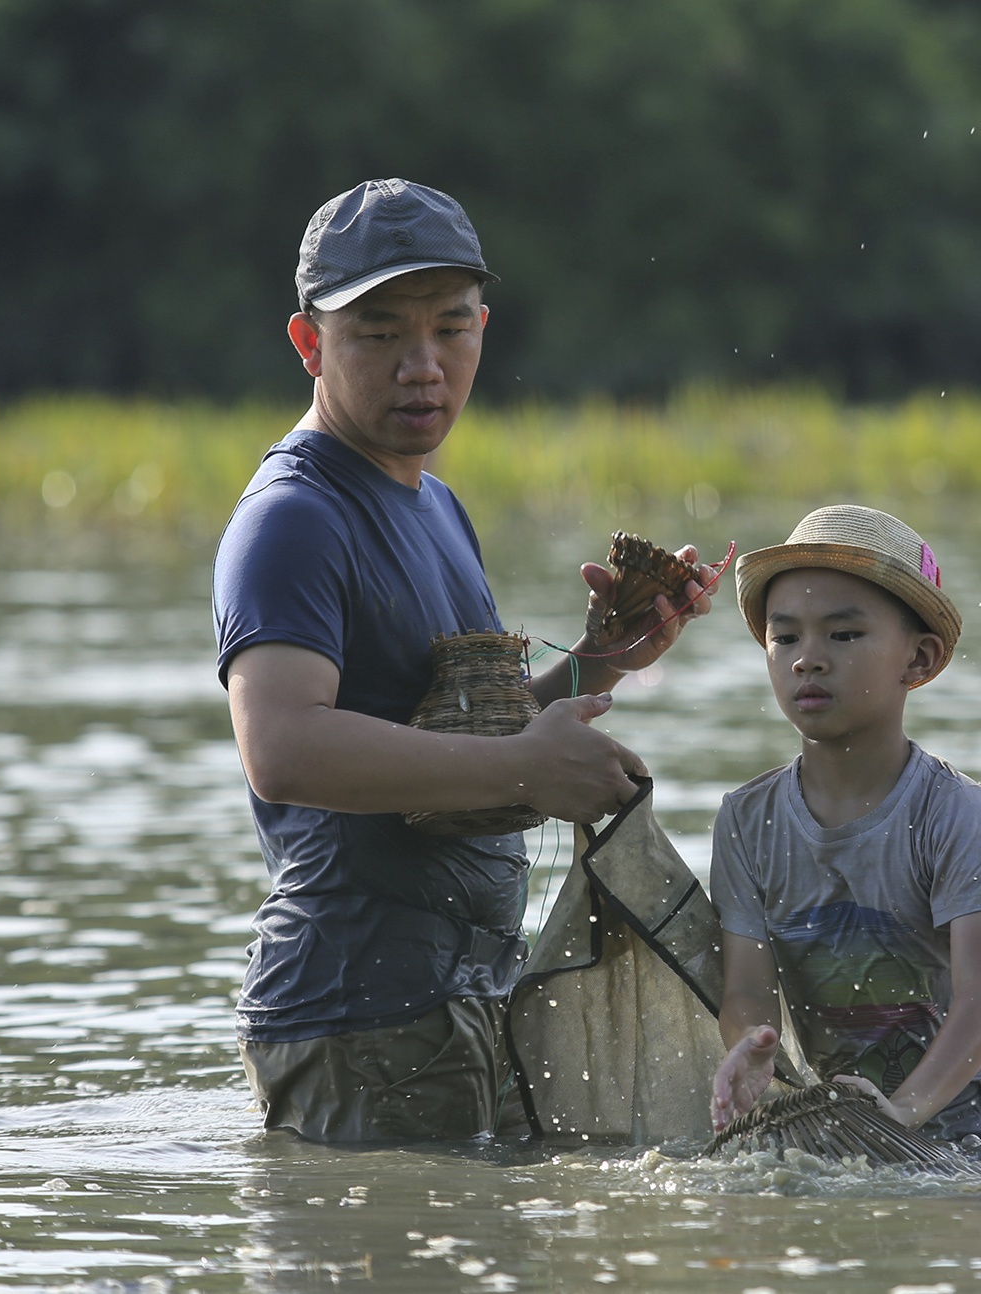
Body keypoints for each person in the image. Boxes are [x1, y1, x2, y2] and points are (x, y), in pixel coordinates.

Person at [213, 178, 717, 1142]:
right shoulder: (293, 518)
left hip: (467, 1003)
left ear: (483, 328)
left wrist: (601, 661)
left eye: (451, 328)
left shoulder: (436, 504)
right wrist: (527, 768)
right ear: (309, 343)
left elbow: (467, 741)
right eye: (379, 334)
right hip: (358, 1017)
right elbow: (280, 746)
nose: (423, 367)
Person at [707, 506, 981, 1139]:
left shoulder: (952, 810)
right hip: (842, 1126)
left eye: (844, 635)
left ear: (919, 657)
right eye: (785, 638)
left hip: (974, 1139)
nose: (808, 660)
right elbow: (746, 988)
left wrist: (903, 1112)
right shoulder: (747, 821)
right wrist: (751, 1043)